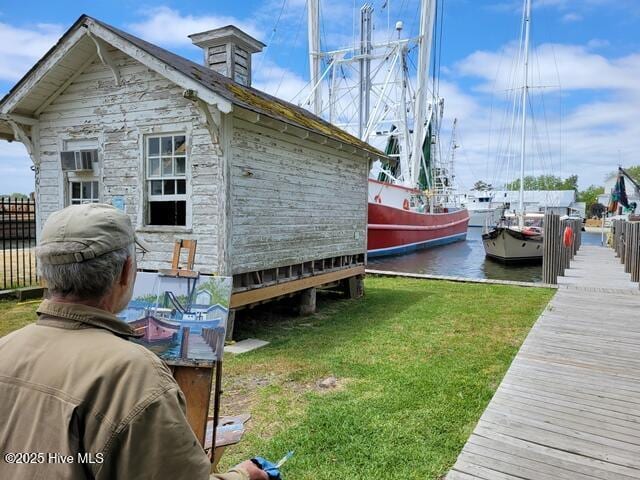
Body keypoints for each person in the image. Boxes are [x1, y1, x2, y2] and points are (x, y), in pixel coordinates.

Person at [0, 204, 267, 480]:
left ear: (46, 273)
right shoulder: (135, 376)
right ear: (127, 271)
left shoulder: (5, 348)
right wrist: (243, 475)